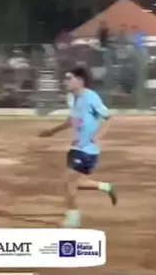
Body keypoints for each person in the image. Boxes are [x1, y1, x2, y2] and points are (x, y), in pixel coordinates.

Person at [39, 67, 118, 228]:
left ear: (80, 80)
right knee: (77, 182)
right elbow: (72, 120)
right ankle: (106, 187)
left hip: (88, 149)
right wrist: (52, 131)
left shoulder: (91, 97)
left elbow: (109, 118)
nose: (66, 82)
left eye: (69, 78)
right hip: (75, 148)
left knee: (68, 182)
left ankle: (73, 217)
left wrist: (98, 136)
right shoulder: (72, 98)